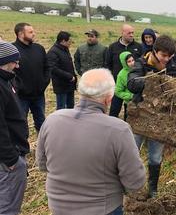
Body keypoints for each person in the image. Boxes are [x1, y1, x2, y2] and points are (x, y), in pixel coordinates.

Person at [36, 68, 145, 215]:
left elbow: (42, 164)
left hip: (58, 206)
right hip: (102, 208)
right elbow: (134, 182)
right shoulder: (118, 129)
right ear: (109, 98)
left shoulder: (52, 120)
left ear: (80, 92)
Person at [128, 35, 176, 198]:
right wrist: (153, 80)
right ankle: (129, 187)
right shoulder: (141, 63)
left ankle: (152, 190)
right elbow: (132, 85)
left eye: (169, 56)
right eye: (163, 55)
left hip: (160, 120)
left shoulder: (173, 67)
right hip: (139, 118)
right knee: (131, 153)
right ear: (154, 51)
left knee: (155, 157)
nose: (166, 59)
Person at [0, 42, 29, 215]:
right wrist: (10, 159)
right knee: (8, 206)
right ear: (3, 61)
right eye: (14, 61)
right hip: (8, 159)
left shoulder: (6, 80)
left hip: (12, 153)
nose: (17, 65)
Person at [13, 22, 50, 134]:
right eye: (30, 32)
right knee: (20, 124)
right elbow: (9, 73)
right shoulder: (13, 50)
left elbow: (47, 67)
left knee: (41, 122)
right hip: (21, 97)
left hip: (39, 95)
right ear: (20, 34)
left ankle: (42, 148)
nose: (34, 34)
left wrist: (44, 83)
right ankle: (22, 149)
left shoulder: (39, 48)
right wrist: (19, 88)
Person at [106, 24, 142, 118]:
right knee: (114, 110)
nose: (131, 35)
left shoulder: (138, 47)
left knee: (129, 112)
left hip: (132, 86)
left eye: (132, 33)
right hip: (117, 83)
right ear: (122, 33)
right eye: (129, 33)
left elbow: (141, 64)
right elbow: (108, 65)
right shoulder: (113, 47)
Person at [47, 31, 77, 110]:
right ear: (63, 41)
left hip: (70, 84)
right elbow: (53, 69)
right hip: (61, 86)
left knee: (70, 107)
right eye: (69, 41)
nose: (71, 43)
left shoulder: (65, 49)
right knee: (61, 108)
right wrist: (69, 76)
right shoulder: (53, 52)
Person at [113, 52, 135, 121]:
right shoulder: (121, 75)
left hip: (142, 102)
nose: (132, 63)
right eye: (129, 61)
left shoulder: (138, 69)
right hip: (129, 103)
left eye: (132, 60)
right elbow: (118, 92)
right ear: (124, 63)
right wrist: (131, 96)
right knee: (129, 121)